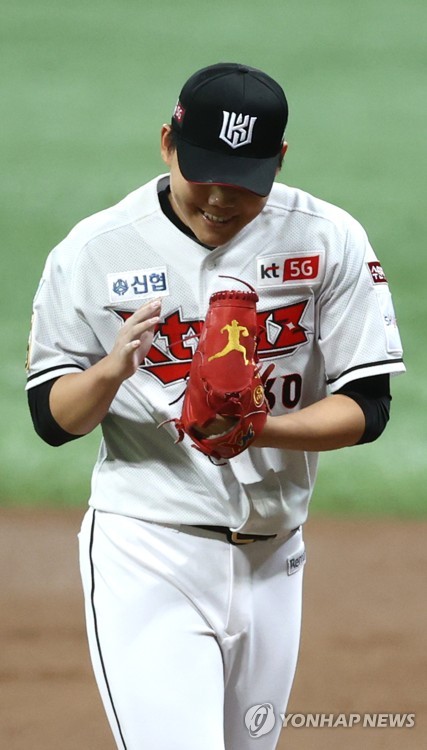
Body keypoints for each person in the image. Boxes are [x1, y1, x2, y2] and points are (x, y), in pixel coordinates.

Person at [26, 62, 405, 750]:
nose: (221, 198)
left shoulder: (328, 239)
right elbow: (52, 419)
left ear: (278, 161)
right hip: (149, 550)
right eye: (203, 173)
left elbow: (368, 406)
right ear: (166, 144)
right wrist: (111, 371)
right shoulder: (94, 251)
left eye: (244, 180)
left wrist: (261, 429)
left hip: (275, 559)